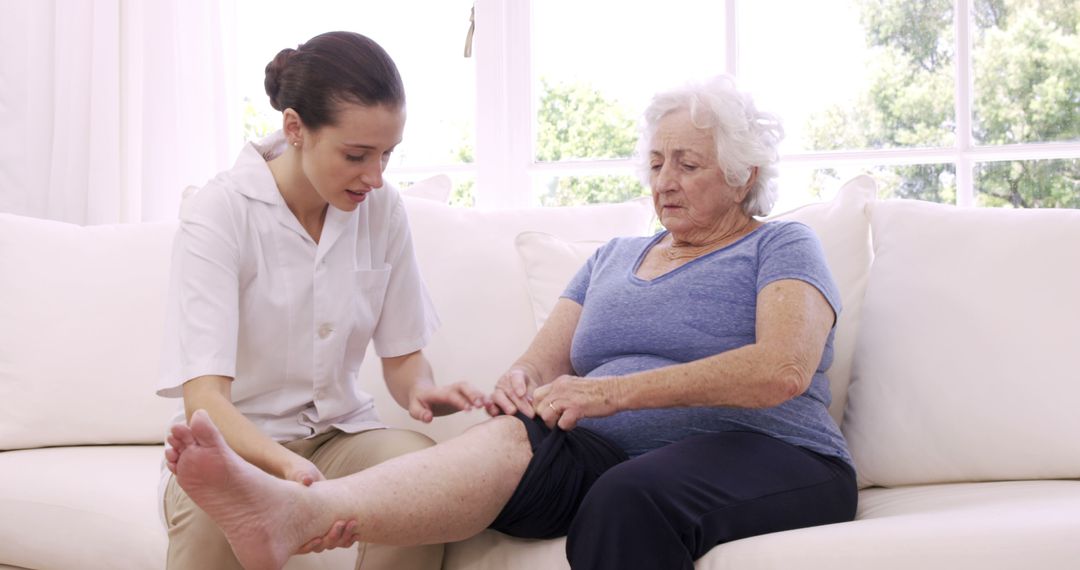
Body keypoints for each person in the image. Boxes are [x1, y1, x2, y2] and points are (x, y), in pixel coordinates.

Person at [165, 75, 858, 570]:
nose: (664, 180)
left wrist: (610, 394)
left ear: (743, 175)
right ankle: (297, 514)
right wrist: (520, 386)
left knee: (626, 500)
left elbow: (782, 370)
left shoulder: (779, 245)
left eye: (688, 164)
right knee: (505, 436)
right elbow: (539, 364)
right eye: (654, 162)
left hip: (765, 449)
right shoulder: (612, 258)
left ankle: (294, 510)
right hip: (606, 450)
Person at [156, 31, 485, 570]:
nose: (376, 177)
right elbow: (205, 403)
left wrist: (425, 390)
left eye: (387, 155)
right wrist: (286, 472)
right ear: (295, 129)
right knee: (219, 516)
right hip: (238, 447)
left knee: (419, 474)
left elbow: (402, 360)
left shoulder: (382, 210)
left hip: (340, 435)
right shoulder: (221, 213)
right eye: (357, 155)